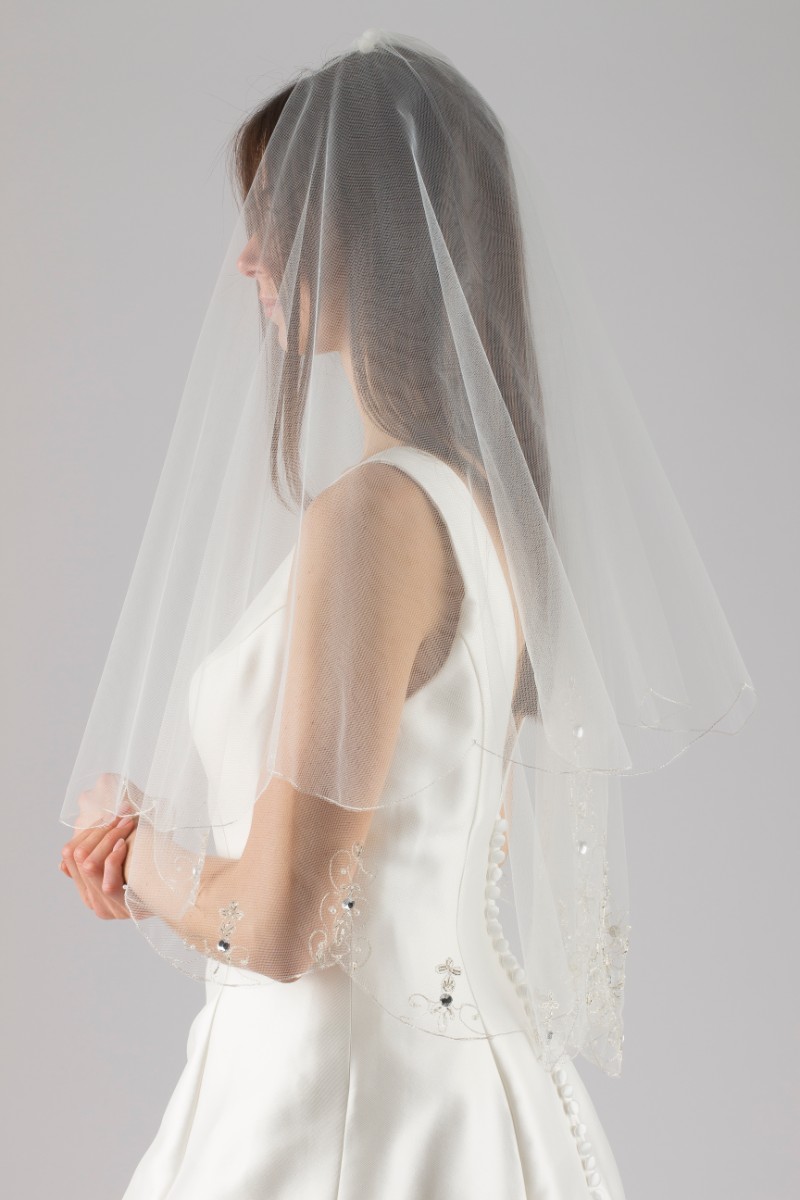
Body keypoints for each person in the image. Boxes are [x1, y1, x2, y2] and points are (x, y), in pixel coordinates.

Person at [59, 28, 756, 1200]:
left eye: (276, 216)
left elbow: (280, 927)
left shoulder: (374, 516)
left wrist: (134, 856)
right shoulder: (476, 508)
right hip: (446, 1097)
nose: (245, 257)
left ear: (364, 232)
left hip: (339, 1114)